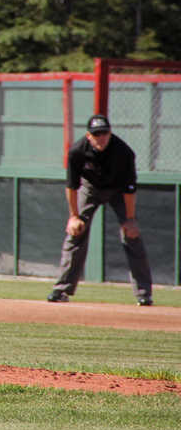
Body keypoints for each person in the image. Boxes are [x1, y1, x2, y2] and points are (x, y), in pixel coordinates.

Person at [47, 114, 153, 305]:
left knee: (131, 235)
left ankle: (144, 294)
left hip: (118, 189)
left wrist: (130, 219)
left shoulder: (124, 152)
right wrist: (73, 216)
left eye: (104, 133)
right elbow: (72, 186)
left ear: (110, 133)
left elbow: (130, 189)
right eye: (96, 134)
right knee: (76, 232)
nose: (101, 138)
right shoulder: (77, 152)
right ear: (89, 136)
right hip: (90, 188)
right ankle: (61, 289)